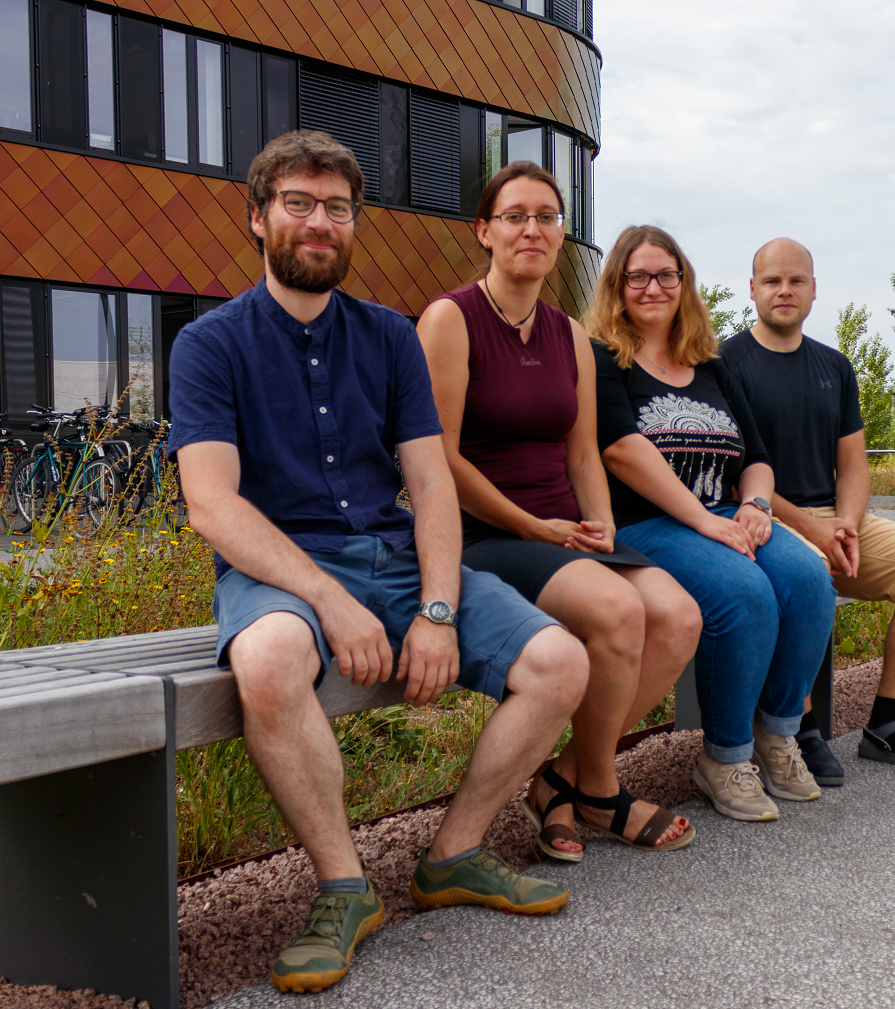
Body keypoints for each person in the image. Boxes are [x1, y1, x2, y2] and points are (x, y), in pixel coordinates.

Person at [168, 131, 590, 994]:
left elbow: (431, 484)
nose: (319, 222)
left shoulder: (391, 338)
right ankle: (343, 886)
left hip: (395, 560)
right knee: (268, 658)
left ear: (355, 222)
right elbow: (211, 503)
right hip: (282, 570)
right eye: (298, 203)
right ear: (258, 218)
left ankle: (454, 853)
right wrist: (329, 600)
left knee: (560, 661)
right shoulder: (210, 344)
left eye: (337, 207)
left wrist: (436, 609)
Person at [417, 163, 701, 858]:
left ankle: (558, 781)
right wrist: (529, 525)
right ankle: (601, 789)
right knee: (619, 611)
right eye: (515, 216)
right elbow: (437, 459)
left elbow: (582, 454)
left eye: (547, 216)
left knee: (677, 616)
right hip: (485, 532)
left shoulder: (569, 334)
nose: (533, 230)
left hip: (562, 530)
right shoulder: (450, 319)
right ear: (484, 231)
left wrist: (601, 523)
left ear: (561, 233)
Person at [588, 225, 836, 822]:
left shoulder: (712, 366)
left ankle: (778, 735)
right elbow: (620, 449)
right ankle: (725, 756)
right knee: (743, 592)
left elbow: (756, 458)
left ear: (684, 284)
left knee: (809, 577)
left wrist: (756, 507)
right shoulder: (602, 358)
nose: (653, 287)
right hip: (642, 524)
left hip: (722, 516)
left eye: (666, 275)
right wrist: (704, 520)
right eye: (638, 276)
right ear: (617, 284)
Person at [721, 237, 895, 783]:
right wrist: (813, 528)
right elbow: (737, 474)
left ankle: (887, 725)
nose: (785, 290)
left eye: (796, 281)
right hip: (762, 516)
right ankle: (799, 730)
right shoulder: (725, 365)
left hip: (835, 518)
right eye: (772, 280)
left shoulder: (834, 365)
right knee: (806, 575)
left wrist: (847, 525)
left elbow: (853, 463)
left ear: (814, 290)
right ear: (752, 289)